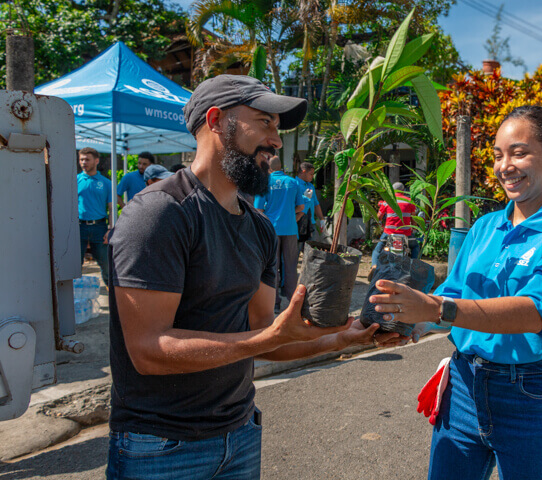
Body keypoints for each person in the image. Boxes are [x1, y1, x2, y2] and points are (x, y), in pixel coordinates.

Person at [106, 74, 401, 480]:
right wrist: (268, 337)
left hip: (240, 434)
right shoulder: (160, 214)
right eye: (264, 122)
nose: (276, 142)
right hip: (161, 447)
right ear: (214, 121)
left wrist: (344, 339)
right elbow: (147, 350)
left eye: (276, 128)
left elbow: (264, 335)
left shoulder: (259, 228)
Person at [369, 105, 542, 480]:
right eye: (498, 155)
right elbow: (452, 293)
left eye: (519, 153)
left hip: (535, 395)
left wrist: (437, 309)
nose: (505, 165)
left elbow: (534, 312)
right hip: (464, 388)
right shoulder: (485, 227)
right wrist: (404, 323)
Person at [254, 156, 305, 312]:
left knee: (272, 267)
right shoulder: (293, 182)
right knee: (290, 266)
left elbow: (259, 210)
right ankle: (292, 302)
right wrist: (290, 214)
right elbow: (301, 207)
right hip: (290, 229)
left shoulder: (264, 183)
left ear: (268, 168)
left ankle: (274, 303)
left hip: (271, 230)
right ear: (281, 167)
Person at [77, 147, 113, 286]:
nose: (83, 162)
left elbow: (111, 208)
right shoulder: (75, 180)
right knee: (74, 265)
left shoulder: (105, 182)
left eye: (87, 159)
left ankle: (113, 297)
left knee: (106, 264)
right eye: (81, 159)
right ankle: (74, 297)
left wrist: (111, 229)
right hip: (79, 227)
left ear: (96, 161)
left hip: (100, 227)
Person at [370, 182, 419, 270]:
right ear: (403, 190)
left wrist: (380, 223)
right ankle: (414, 267)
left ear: (392, 191)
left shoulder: (387, 201)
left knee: (378, 249)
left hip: (389, 233)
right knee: (415, 247)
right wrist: (414, 228)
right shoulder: (409, 201)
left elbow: (378, 217)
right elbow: (413, 218)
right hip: (406, 233)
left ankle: (374, 266)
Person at [295, 161, 326, 241]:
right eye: (311, 174)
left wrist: (322, 219)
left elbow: (316, 204)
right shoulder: (294, 184)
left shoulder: (310, 186)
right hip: (297, 220)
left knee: (309, 248)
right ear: (303, 171)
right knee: (297, 248)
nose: (312, 176)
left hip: (310, 222)